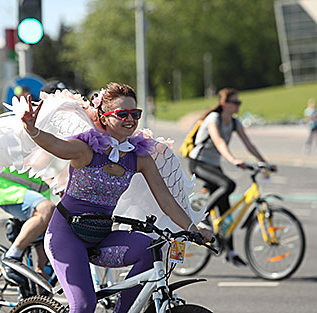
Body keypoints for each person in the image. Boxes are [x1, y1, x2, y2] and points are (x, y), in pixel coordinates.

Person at [21, 82, 212, 313]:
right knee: (83, 306)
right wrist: (32, 129)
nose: (130, 119)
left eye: (135, 113)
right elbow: (55, 145)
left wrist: (193, 228)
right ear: (104, 116)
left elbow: (166, 200)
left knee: (151, 249)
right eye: (122, 113)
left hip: (101, 236)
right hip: (66, 236)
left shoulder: (139, 158)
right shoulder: (85, 149)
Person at [188, 88, 274, 267]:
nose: (238, 106)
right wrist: (233, 159)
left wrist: (264, 162)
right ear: (224, 104)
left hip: (214, 165)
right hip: (199, 163)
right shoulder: (214, 119)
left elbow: (249, 144)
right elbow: (218, 141)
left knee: (226, 213)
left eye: (239, 103)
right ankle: (202, 217)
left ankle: (231, 252)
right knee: (228, 184)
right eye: (235, 102)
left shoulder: (235, 122)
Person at [0, 81, 66, 285]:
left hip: (36, 192)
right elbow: (35, 163)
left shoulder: (59, 127)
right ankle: (11, 257)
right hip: (11, 188)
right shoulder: (31, 121)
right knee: (47, 209)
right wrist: (52, 178)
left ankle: (37, 301)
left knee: (43, 272)